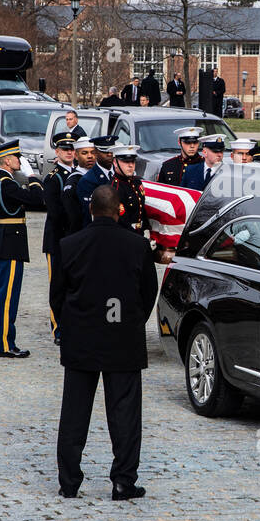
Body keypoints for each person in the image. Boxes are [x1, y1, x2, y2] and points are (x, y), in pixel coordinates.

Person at [50, 184, 159, 500]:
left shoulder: (70, 245)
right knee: (125, 414)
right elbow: (148, 292)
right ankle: (123, 481)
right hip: (123, 339)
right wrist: (132, 323)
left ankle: (69, 482)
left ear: (91, 209)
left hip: (81, 340)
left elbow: (57, 295)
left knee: (74, 413)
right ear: (119, 211)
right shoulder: (137, 246)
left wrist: (71, 325)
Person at [0, 140, 46, 358]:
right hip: (10, 245)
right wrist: (32, 178)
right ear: (7, 161)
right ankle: (3, 345)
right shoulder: (6, 184)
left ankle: (4, 341)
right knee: (6, 297)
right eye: (17, 158)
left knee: (1, 295)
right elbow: (38, 198)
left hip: (3, 241)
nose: (20, 161)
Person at [42, 133, 83, 344]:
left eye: (72, 149)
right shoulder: (53, 178)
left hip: (73, 239)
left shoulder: (79, 174)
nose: (69, 152)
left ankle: (72, 323)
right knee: (57, 285)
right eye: (65, 149)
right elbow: (55, 212)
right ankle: (58, 328)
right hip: (58, 239)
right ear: (57, 152)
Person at [76, 134, 118, 225]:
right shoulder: (88, 180)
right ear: (96, 153)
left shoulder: (118, 173)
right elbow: (89, 214)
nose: (109, 154)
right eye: (105, 151)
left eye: (112, 151)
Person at [111, 144, 148, 236]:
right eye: (126, 162)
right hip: (125, 235)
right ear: (115, 162)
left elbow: (142, 208)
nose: (131, 165)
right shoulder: (113, 188)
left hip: (140, 232)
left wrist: (146, 228)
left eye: (133, 161)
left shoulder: (137, 182)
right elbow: (121, 220)